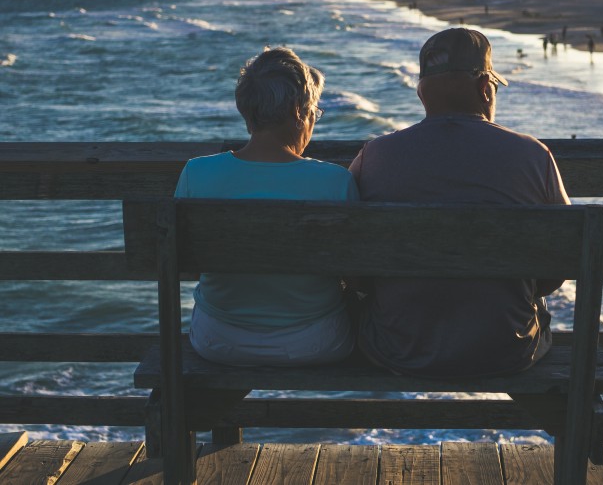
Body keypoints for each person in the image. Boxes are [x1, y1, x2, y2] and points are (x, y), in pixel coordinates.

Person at [349, 28, 569, 378]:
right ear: (485, 89)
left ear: (422, 94)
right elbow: (563, 259)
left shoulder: (373, 156)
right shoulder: (533, 155)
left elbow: (351, 263)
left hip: (399, 349)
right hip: (507, 350)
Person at [175, 47, 358, 366]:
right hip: (315, 342)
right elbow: (357, 274)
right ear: (298, 112)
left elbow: (185, 262)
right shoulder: (335, 181)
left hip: (217, 340)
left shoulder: (196, 173)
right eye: (314, 111)